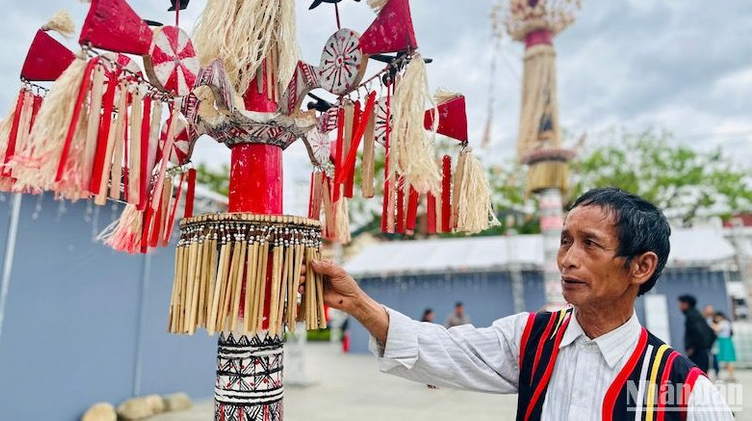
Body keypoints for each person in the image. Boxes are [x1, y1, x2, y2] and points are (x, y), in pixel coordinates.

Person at [302, 187, 732, 419]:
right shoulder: (531, 338)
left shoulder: (685, 390)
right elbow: (445, 351)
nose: (567, 259)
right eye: (565, 241)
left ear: (641, 267)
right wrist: (357, 304)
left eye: (590, 244)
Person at [678, 295, 714, 373]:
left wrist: (692, 348)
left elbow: (699, 333)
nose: (679, 306)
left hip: (697, 353)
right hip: (701, 352)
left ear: (686, 304)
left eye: (681, 303)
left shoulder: (692, 316)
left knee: (697, 377)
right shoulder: (696, 314)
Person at [711, 312, 737, 382]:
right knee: (728, 360)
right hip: (723, 341)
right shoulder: (725, 322)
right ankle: (730, 375)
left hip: (725, 342)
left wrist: (710, 323)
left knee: (729, 359)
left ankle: (731, 376)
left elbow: (717, 329)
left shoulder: (724, 322)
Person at [703, 305, 719, 379]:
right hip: (704, 343)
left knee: (714, 359)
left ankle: (716, 373)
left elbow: (717, 329)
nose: (709, 311)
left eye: (710, 309)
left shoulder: (715, 319)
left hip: (713, 342)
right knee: (706, 359)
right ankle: (705, 374)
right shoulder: (702, 319)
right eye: (707, 309)